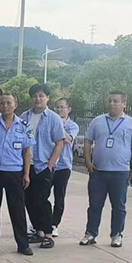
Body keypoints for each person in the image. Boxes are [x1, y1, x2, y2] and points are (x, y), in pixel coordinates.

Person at [81, 91, 132, 248]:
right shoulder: (98, 121)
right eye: (109, 101)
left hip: (120, 172)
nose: (112, 104)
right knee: (95, 205)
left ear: (124, 104)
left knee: (119, 206)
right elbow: (88, 141)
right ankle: (91, 233)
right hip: (98, 171)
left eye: (116, 101)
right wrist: (88, 161)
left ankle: (116, 234)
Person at [0, 94, 33, 256]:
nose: (5, 106)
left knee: (17, 209)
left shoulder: (23, 126)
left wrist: (27, 174)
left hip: (15, 172)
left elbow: (27, 151)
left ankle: (23, 244)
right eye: (2, 103)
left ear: (15, 105)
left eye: (9, 103)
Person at [20, 83, 65, 250]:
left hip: (43, 165)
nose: (37, 99)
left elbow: (59, 143)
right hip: (26, 165)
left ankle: (48, 233)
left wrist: (50, 165)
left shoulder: (53, 118)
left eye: (41, 96)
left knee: (42, 200)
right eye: (34, 96)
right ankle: (38, 231)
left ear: (47, 98)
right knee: (28, 199)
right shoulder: (24, 116)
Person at [52, 98, 79, 236]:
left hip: (63, 165)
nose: (59, 110)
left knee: (59, 196)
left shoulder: (72, 125)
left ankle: (54, 224)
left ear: (69, 109)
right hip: (49, 163)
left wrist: (59, 125)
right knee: (40, 195)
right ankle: (41, 222)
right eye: (57, 107)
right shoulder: (49, 121)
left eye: (62, 107)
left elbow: (68, 139)